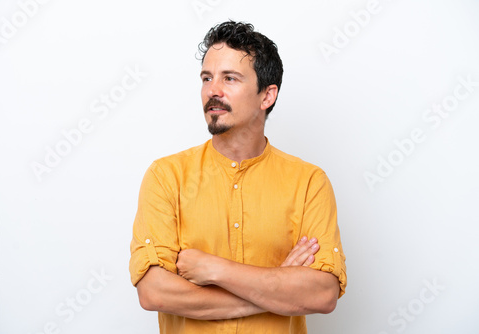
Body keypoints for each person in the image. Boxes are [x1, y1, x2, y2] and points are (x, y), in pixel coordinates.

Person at [129, 20, 347, 333]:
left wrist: (215, 269)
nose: (212, 91)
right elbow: (154, 292)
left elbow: (323, 293)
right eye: (207, 78)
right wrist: (273, 290)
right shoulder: (166, 177)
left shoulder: (309, 182)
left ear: (266, 95)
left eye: (229, 78)